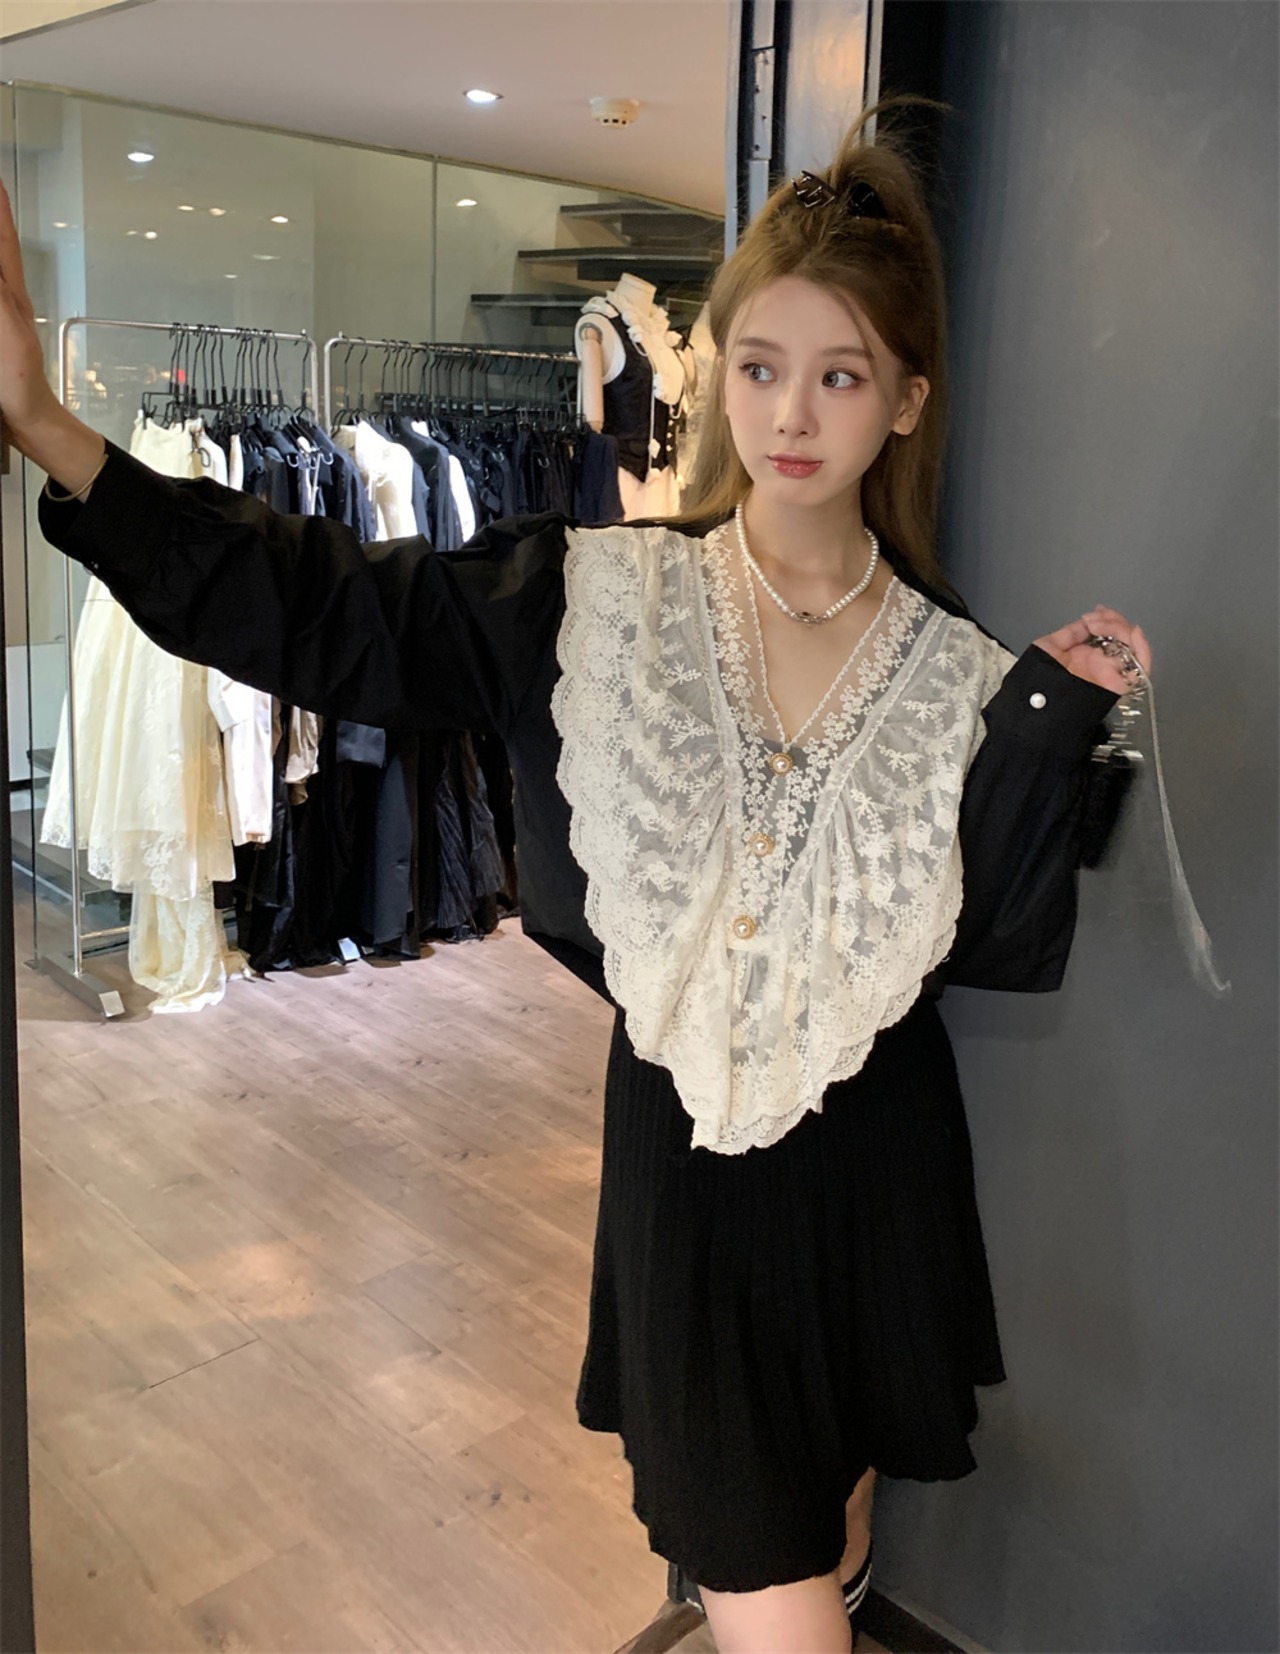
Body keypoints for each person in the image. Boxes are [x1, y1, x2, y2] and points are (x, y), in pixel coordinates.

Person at [0, 99, 1151, 1654]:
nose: (792, 412)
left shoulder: (957, 669)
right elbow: (323, 606)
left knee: (838, 1520)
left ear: (905, 399)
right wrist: (52, 429)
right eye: (762, 364)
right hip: (693, 1194)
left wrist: (1051, 723)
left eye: (841, 374)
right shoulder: (595, 603)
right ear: (719, 371)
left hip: (880, 1183)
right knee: (769, 1584)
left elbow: (995, 936)